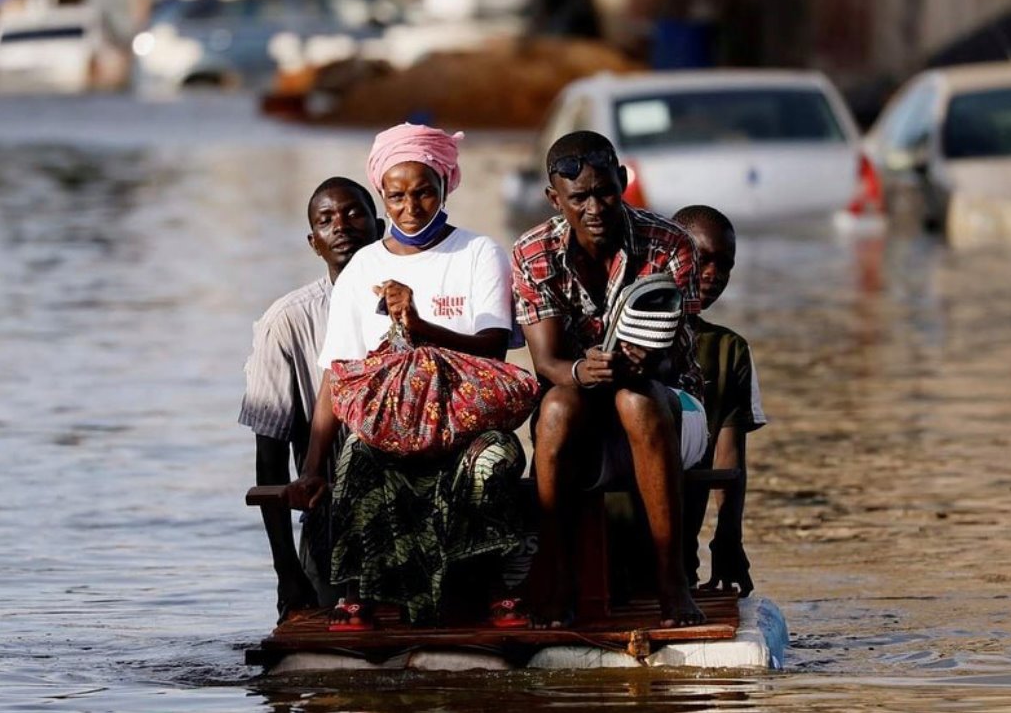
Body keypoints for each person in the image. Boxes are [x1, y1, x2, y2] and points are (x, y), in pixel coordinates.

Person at [288, 123, 527, 629]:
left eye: (424, 192)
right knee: (357, 453)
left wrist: (420, 328)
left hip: (468, 424)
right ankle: (360, 595)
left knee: (495, 459)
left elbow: (492, 350)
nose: (411, 207)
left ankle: (494, 591)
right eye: (396, 196)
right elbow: (339, 375)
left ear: (445, 184)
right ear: (382, 195)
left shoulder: (479, 253)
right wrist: (311, 467)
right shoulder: (362, 269)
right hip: (392, 428)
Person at [512, 130, 707, 628]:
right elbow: (548, 363)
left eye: (605, 191)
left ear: (622, 181)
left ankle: (672, 578)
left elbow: (675, 358)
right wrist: (583, 370)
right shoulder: (532, 254)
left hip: (668, 402)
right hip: (578, 401)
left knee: (635, 400)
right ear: (556, 199)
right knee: (557, 405)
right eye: (579, 198)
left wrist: (644, 362)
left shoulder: (669, 244)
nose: (595, 207)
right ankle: (555, 570)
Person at [239, 177, 382, 631]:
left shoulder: (411, 300)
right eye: (326, 220)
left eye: (354, 213)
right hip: (332, 513)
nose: (342, 226)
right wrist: (286, 574)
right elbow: (269, 458)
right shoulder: (288, 321)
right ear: (313, 242)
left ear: (379, 226)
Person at [671, 204, 765, 598]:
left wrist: (728, 539)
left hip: (681, 562)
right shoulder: (618, 336)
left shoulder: (729, 350)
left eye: (724, 266)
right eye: (703, 259)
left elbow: (731, 460)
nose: (713, 275)